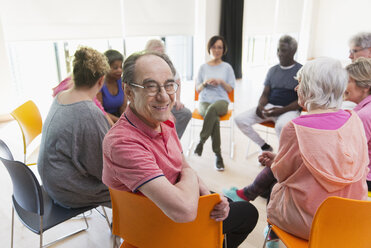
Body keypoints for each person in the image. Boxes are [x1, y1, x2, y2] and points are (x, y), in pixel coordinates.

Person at [102, 51, 258, 248]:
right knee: (249, 213)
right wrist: (189, 173)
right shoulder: (122, 143)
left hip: (169, 203)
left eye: (169, 85)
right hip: (162, 226)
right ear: (129, 91)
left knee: (226, 202)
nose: (164, 96)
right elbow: (184, 209)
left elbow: (181, 164)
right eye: (151, 87)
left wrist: (210, 196)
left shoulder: (164, 120)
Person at [224, 58, 369, 242]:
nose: (295, 89)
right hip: (352, 217)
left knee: (277, 189)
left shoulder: (296, 128)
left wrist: (277, 162)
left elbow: (282, 174)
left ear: (311, 88)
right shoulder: (353, 118)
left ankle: (273, 239)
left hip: (311, 222)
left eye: (299, 83)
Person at [38, 47, 111, 208]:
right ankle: (130, 225)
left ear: (74, 75)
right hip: (70, 191)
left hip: (52, 181)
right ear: (101, 80)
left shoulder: (61, 96)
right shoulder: (89, 113)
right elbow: (104, 171)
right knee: (135, 186)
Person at [234, 35, 302, 152]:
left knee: (281, 126)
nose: (279, 53)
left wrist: (280, 110)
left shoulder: (301, 71)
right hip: (270, 107)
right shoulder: (272, 70)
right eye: (278, 50)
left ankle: (282, 157)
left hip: (289, 110)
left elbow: (301, 100)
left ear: (293, 51)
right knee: (239, 119)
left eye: (283, 50)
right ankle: (264, 147)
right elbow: (265, 93)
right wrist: (260, 106)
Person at [193, 35, 235, 171]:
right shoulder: (203, 67)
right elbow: (197, 89)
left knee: (213, 110)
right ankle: (218, 155)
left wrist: (221, 82)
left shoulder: (227, 67)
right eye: (214, 47)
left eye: (220, 47)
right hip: (204, 101)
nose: (217, 50)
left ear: (223, 50)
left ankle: (201, 141)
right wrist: (205, 83)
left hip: (221, 101)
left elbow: (230, 89)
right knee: (214, 118)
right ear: (209, 49)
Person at [144, 39, 192, 139]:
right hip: (152, 106)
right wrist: (167, 113)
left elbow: (177, 80)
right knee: (167, 120)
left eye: (161, 52)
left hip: (167, 103)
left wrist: (177, 100)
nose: (160, 56)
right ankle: (163, 142)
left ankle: (172, 141)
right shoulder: (145, 68)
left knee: (185, 113)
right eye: (156, 53)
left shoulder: (168, 65)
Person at [345, 57, 371, 191]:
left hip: (367, 180)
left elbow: (351, 155)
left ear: (365, 86)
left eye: (349, 81)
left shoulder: (364, 115)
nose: (344, 85)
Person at [96, 49, 127, 123]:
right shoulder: (99, 84)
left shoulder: (122, 82)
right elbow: (100, 111)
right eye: (115, 68)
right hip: (103, 119)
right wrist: (119, 121)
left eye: (121, 67)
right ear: (105, 68)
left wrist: (125, 121)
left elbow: (123, 108)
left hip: (119, 119)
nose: (120, 70)